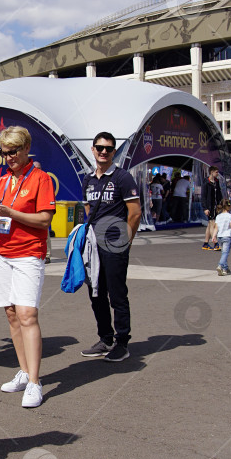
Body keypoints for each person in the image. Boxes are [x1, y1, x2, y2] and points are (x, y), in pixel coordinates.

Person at [0, 126, 56, 408]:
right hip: (0, 251)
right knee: (12, 314)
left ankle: (36, 382)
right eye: (4, 152)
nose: (8, 157)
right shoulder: (0, 182)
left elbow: (44, 220)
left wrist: (9, 212)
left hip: (28, 253)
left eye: (13, 151)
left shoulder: (41, 179)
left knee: (27, 314)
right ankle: (24, 372)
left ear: (26, 148)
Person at [79, 131, 142, 362]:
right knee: (96, 293)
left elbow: (135, 213)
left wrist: (126, 241)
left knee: (117, 295)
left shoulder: (123, 178)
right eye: (99, 147)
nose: (103, 151)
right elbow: (88, 211)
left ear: (114, 152)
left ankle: (122, 342)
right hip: (94, 246)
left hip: (115, 244)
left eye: (108, 148)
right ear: (93, 150)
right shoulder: (88, 180)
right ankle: (105, 339)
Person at [32, 161, 53, 263]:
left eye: (39, 168)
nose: (38, 169)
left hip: (42, 212)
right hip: (31, 212)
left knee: (46, 233)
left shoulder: (45, 179)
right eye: (36, 167)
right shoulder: (29, 180)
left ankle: (47, 255)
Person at [202, 165, 222, 250]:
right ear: (211, 172)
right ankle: (215, 242)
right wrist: (205, 208)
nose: (217, 174)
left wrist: (220, 203)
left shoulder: (216, 181)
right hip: (209, 206)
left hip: (215, 205)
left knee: (210, 224)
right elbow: (203, 196)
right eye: (216, 172)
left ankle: (206, 243)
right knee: (212, 224)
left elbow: (219, 193)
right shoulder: (206, 182)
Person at [214, 201, 231, 276]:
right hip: (227, 236)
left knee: (223, 253)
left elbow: (216, 227)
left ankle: (225, 269)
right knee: (225, 253)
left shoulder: (218, 216)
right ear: (228, 207)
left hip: (219, 236)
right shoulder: (230, 216)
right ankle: (220, 265)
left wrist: (214, 236)